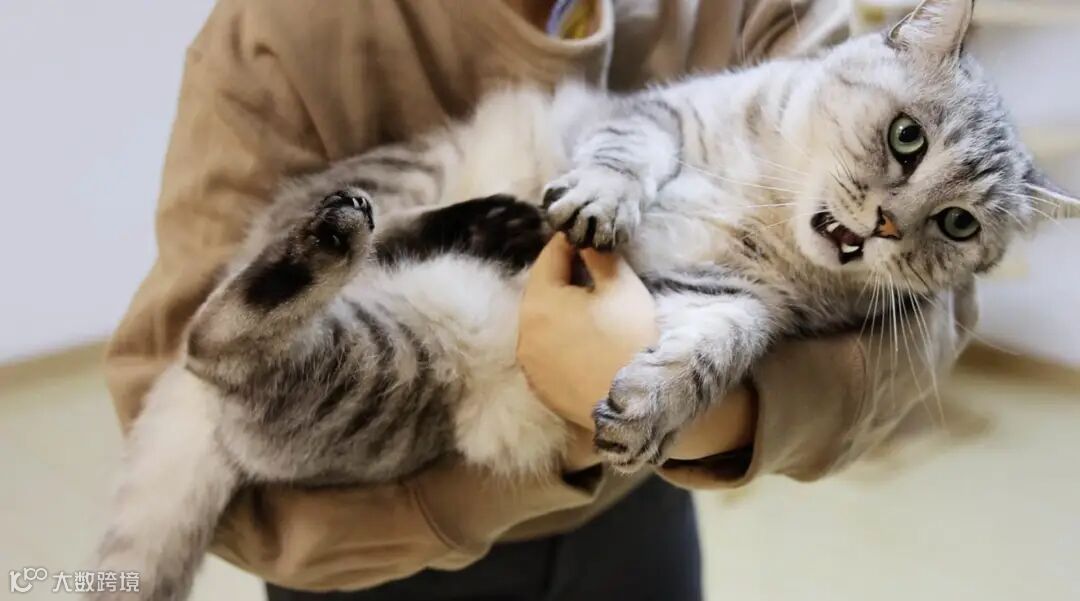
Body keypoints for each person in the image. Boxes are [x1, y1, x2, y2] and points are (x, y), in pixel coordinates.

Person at [104, 0, 975, 599]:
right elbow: (171, 403)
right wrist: (476, 486)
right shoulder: (274, 32)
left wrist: (704, 412)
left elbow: (936, 317)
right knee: (308, 375)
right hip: (377, 550)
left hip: (636, 507)